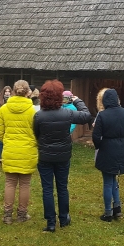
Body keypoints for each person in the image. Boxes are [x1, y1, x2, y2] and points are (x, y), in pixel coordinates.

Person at [33, 80, 93, 232]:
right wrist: (77, 100)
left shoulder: (39, 116)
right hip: (63, 155)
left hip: (45, 155)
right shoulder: (67, 113)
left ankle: (51, 222)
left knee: (47, 188)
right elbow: (86, 115)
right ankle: (64, 218)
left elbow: (36, 134)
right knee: (62, 187)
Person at [0, 80, 38, 225]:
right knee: (25, 184)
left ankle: (7, 215)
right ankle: (22, 214)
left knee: (10, 183)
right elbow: (38, 132)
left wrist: (7, 141)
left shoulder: (4, 109)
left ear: (13, 91)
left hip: (10, 149)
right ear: (27, 92)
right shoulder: (33, 111)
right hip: (28, 150)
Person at [93, 88, 124, 222]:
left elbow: (96, 136)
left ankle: (108, 212)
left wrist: (100, 146)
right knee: (114, 180)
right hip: (122, 149)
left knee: (107, 182)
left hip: (107, 149)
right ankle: (117, 207)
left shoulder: (103, 115)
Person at [0, 86, 12, 164]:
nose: (7, 93)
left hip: (10, 122)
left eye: (8, 91)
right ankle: (1, 158)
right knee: (1, 141)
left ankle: (9, 157)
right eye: (6, 91)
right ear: (3, 92)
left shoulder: (13, 99)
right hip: (2, 122)